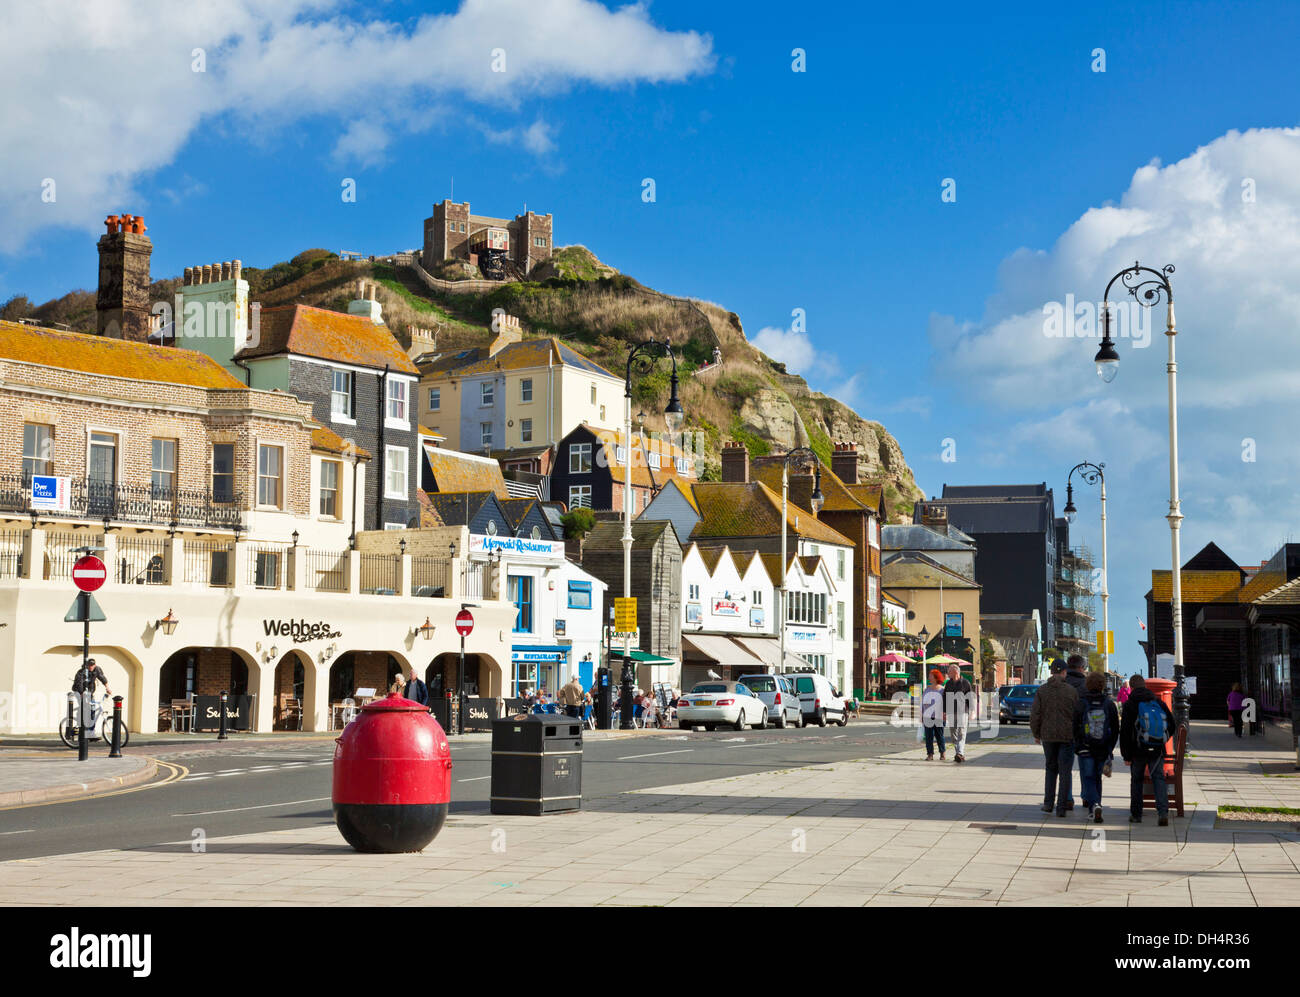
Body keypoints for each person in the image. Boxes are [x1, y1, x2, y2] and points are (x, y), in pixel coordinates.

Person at [1119, 674, 1176, 826]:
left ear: (1131, 687)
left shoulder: (1130, 704)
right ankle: (1163, 812)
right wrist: (1161, 739)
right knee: (1158, 779)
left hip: (1137, 750)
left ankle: (1136, 814)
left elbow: (1124, 731)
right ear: (1145, 686)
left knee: (1136, 780)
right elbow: (1171, 724)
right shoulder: (1157, 701)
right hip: (1157, 749)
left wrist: (1126, 754)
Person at [1030, 659, 1079, 817]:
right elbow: (1077, 715)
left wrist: (1036, 734)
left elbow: (1035, 714)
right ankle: (1062, 807)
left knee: (1051, 768)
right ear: (1064, 672)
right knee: (1065, 772)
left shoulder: (1042, 691)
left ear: (1051, 672)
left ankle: (1048, 803)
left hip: (1048, 736)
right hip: (1067, 736)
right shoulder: (1071, 691)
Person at [1073, 670, 1119, 823]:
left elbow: (1074, 725)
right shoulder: (1109, 704)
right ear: (1102, 685)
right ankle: (1096, 805)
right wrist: (1110, 747)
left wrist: (1077, 745)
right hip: (1103, 747)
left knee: (1088, 777)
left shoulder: (1082, 703)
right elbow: (1115, 728)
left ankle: (1095, 805)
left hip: (1086, 747)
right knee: (1098, 777)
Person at [71, 657, 113, 735]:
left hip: (90, 691)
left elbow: (102, 677)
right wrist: (81, 693)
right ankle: (79, 724)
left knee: (93, 709)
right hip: (79, 691)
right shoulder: (81, 672)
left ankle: (91, 731)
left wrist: (107, 688)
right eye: (89, 665)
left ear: (95, 665)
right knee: (84, 707)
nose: (91, 667)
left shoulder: (97, 669)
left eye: (92, 665)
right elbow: (78, 683)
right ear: (86, 665)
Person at [942, 664, 974, 763]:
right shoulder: (948, 684)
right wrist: (944, 711)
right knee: (953, 734)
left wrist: (972, 711)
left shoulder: (965, 683)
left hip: (962, 711)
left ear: (955, 672)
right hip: (951, 712)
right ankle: (959, 754)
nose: (948, 673)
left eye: (949, 671)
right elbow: (945, 698)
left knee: (961, 732)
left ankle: (960, 752)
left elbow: (970, 698)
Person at [921, 669, 947, 761]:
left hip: (939, 716)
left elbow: (946, 703)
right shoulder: (927, 689)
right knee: (928, 736)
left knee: (939, 735)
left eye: (931, 676)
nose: (929, 677)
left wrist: (945, 713)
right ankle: (930, 754)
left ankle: (942, 753)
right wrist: (921, 714)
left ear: (936, 678)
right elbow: (922, 703)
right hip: (928, 716)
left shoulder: (942, 690)